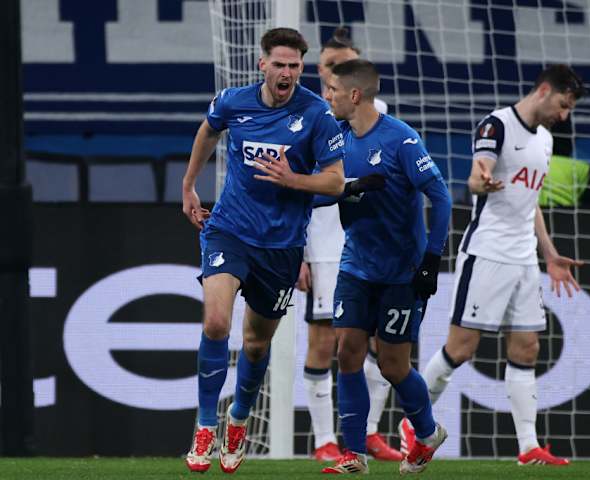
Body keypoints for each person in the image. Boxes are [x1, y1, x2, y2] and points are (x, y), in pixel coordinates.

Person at [399, 64, 587, 466]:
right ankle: (414, 423)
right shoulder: (497, 125)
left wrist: (549, 254)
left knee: (528, 347)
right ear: (544, 90)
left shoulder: (547, 141)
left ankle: (528, 448)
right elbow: (474, 178)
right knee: (461, 348)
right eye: (563, 104)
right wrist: (482, 181)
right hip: (487, 253)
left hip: (524, 258)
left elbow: (529, 201)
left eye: (569, 109)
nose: (564, 114)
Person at [181, 27, 349, 474]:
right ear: (262, 65)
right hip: (230, 229)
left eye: (294, 66)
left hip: (280, 246)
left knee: (256, 345)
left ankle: (237, 419)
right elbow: (207, 131)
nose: (287, 73)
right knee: (216, 321)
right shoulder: (234, 101)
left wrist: (294, 179)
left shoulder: (316, 114)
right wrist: (189, 186)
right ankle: (203, 426)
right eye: (279, 64)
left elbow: (335, 181)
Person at [319, 59, 452, 474]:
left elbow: (443, 198)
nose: (328, 98)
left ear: (354, 95)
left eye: (333, 91)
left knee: (394, 365)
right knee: (347, 353)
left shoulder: (401, 140)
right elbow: (317, 192)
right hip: (356, 265)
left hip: (401, 273)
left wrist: (431, 259)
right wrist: (349, 188)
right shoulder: (335, 139)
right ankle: (354, 454)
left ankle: (428, 433)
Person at [297, 27, 401, 463]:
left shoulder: (381, 116)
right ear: (320, 71)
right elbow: (296, 188)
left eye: (345, 65)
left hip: (370, 241)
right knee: (325, 340)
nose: (337, 73)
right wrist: (296, 251)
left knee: (378, 338)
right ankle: (324, 439)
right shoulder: (303, 117)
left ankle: (371, 433)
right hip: (323, 241)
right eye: (330, 65)